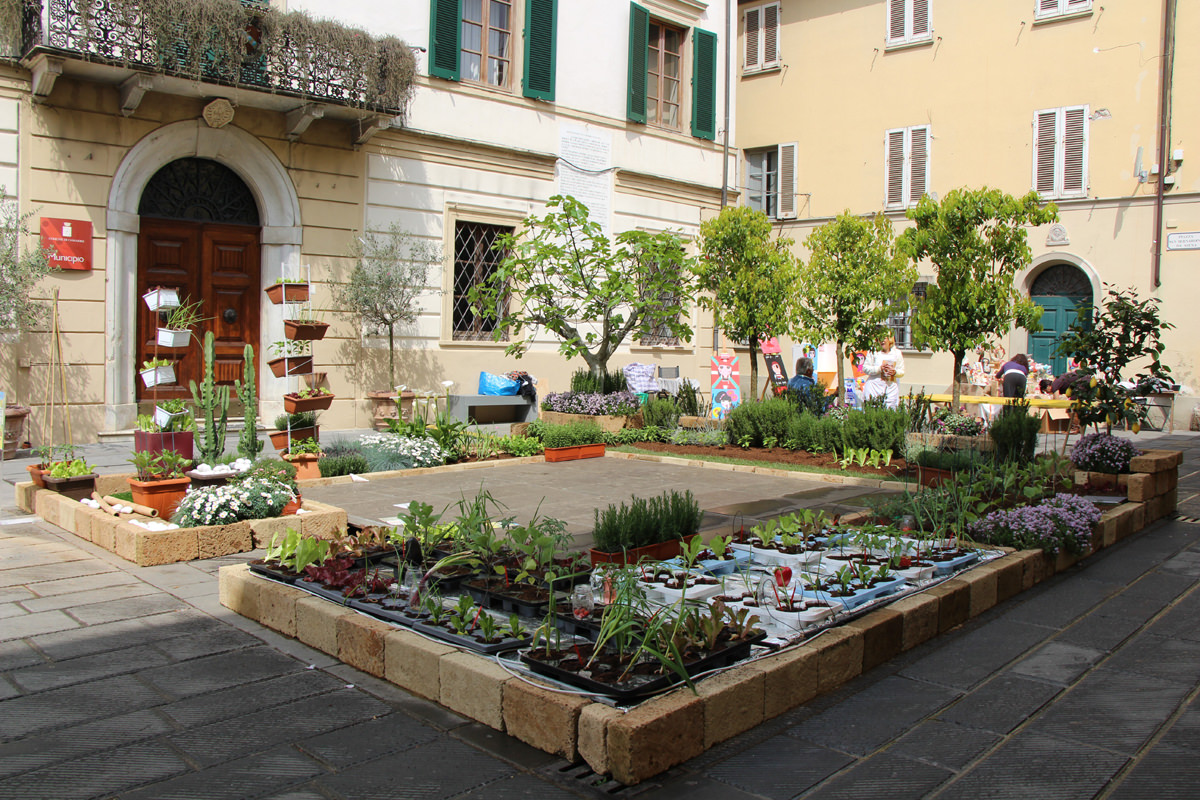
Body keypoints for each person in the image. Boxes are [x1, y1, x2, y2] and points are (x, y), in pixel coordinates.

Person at [862, 336, 905, 409]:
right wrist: (879, 369)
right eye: (880, 339)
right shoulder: (873, 352)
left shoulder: (897, 353)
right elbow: (865, 368)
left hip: (890, 389)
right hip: (874, 388)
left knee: (889, 414)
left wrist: (894, 372)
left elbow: (901, 371)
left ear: (890, 339)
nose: (882, 341)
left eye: (884, 338)